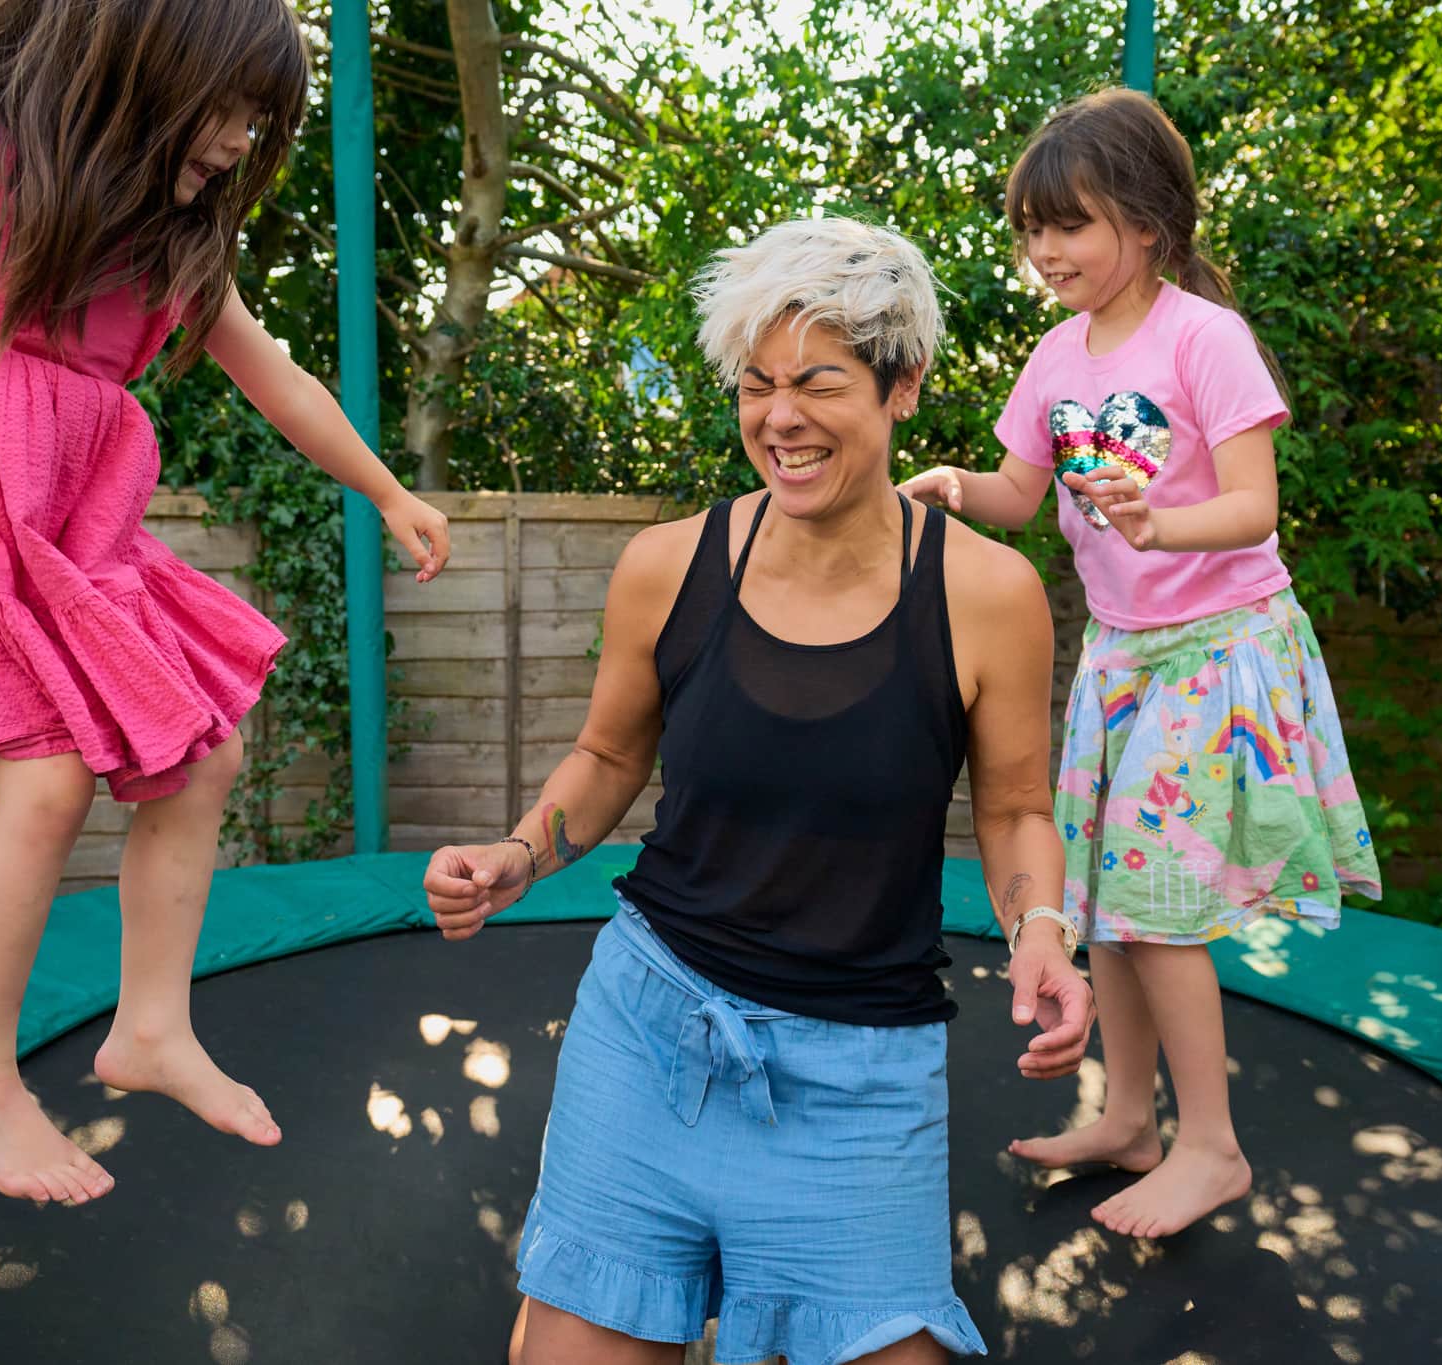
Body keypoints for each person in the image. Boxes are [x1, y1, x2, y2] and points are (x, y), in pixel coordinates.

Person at [0, 0, 450, 1207]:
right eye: (230, 109)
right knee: (48, 782)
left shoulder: (166, 248)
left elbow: (278, 378)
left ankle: (150, 1030)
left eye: (261, 124)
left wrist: (384, 492)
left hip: (60, 537)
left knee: (202, 754)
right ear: (146, 69)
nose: (236, 143)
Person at [424, 217, 1093, 1365]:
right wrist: (520, 854)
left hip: (860, 1077)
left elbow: (1018, 805)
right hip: (650, 1037)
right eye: (755, 385)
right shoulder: (666, 564)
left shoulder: (988, 593)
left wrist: (1039, 928)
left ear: (901, 388)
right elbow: (607, 759)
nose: (778, 418)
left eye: (818, 383)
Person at [901, 89, 1383, 1239]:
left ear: (1146, 223)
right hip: (1120, 658)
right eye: (1030, 229)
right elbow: (1020, 496)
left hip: (1221, 652)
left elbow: (1256, 507)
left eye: (1067, 225)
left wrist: (1159, 524)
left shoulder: (1200, 337)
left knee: (1156, 901)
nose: (1043, 251)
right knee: (1107, 901)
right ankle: (1128, 1118)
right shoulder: (1053, 355)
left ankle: (1210, 1148)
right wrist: (949, 491)